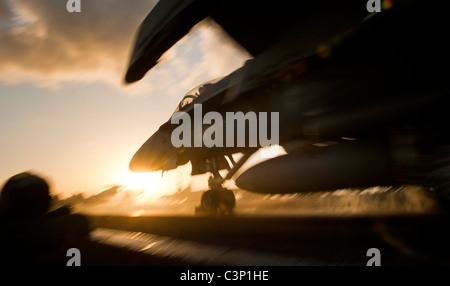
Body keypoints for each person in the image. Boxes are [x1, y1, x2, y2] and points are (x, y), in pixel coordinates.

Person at [0, 172, 90, 265]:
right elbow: (78, 220)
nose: (49, 198)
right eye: (44, 195)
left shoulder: (8, 224)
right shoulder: (13, 234)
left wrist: (56, 214)